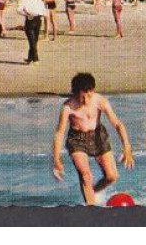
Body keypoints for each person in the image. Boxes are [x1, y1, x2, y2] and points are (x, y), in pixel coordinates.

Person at [52, 72, 135, 206]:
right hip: (77, 140)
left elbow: (118, 124)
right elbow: (59, 133)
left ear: (93, 91)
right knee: (85, 175)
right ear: (74, 93)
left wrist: (126, 146)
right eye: (82, 97)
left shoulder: (99, 101)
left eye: (89, 95)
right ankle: (91, 208)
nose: (86, 100)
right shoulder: (68, 107)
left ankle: (92, 193)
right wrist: (56, 159)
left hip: (98, 136)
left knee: (111, 176)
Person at [19, 0, 47, 64]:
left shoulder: (25, 0)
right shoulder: (39, 1)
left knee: (31, 40)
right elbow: (44, 12)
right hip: (38, 19)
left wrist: (26, 14)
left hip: (29, 19)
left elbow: (19, 10)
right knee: (35, 40)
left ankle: (35, 59)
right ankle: (30, 58)